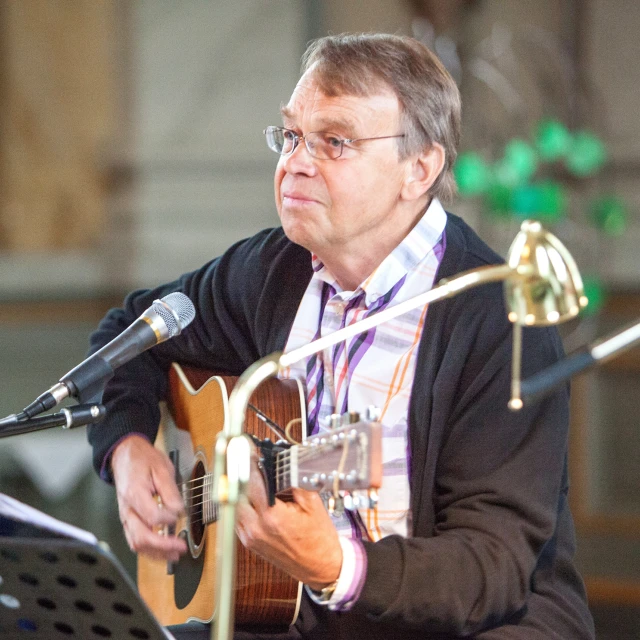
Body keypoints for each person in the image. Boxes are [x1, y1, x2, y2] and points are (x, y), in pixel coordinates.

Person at [87, 33, 595, 639]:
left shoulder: (497, 319)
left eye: (334, 142)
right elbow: (130, 335)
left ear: (420, 168)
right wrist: (127, 446)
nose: (296, 162)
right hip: (294, 613)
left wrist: (338, 566)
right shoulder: (276, 268)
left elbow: (492, 568)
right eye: (292, 136)